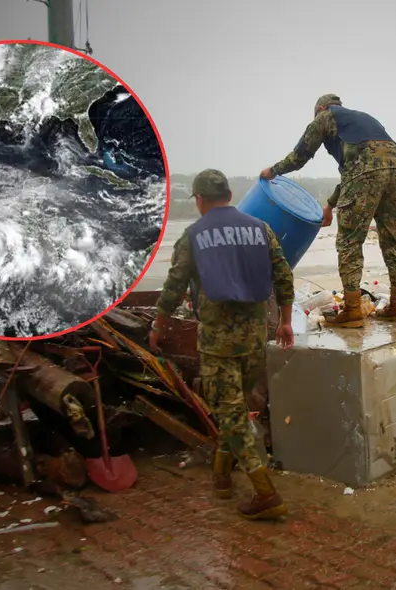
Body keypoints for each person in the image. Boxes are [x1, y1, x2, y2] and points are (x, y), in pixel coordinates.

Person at [149, 169, 296, 521]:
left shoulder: (193, 235)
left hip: (217, 342)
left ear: (199, 200)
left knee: (230, 415)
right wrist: (287, 321)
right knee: (236, 410)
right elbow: (283, 276)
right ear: (229, 195)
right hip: (254, 339)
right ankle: (220, 477)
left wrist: (159, 325)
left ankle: (264, 493)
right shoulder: (260, 229)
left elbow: (173, 287)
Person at [259, 93, 396, 328]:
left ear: (320, 108)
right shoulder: (365, 120)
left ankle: (351, 311)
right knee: (393, 242)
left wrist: (273, 171)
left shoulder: (325, 117)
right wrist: (330, 204)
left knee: (349, 242)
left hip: (365, 175)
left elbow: (300, 156)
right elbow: (358, 172)